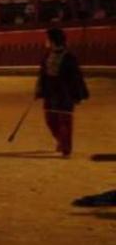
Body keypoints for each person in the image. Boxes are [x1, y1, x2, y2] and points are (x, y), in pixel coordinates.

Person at [34, 28, 89, 157]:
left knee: (65, 122)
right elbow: (42, 75)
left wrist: (77, 94)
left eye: (47, 39)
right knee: (50, 120)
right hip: (50, 92)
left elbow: (76, 77)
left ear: (53, 41)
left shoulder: (69, 57)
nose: (46, 41)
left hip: (65, 93)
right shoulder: (47, 56)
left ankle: (66, 148)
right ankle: (61, 140)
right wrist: (39, 90)